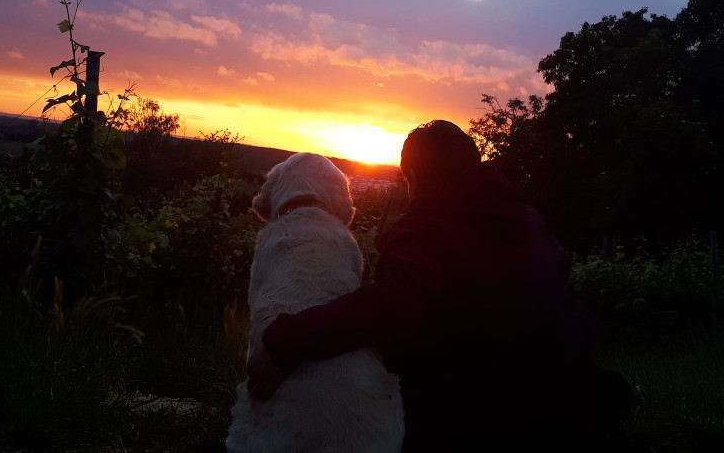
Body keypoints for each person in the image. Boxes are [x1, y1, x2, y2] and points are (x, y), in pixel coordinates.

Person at [248, 120, 631, 451]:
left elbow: (392, 302)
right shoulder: (529, 221)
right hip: (565, 399)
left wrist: (286, 341)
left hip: (485, 418)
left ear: (412, 177)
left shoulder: (424, 231)